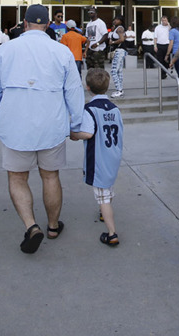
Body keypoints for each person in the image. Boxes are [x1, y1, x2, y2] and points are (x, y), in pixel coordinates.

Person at [0, 4, 85, 255]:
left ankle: (31, 226)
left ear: (25, 23)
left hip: (16, 124)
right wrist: (76, 123)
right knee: (50, 176)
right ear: (48, 25)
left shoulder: (6, 49)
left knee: (18, 178)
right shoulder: (61, 51)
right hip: (51, 124)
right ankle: (52, 226)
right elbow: (74, 91)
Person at [72, 68, 125, 247]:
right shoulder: (115, 109)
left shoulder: (90, 109)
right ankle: (104, 210)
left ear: (88, 87)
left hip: (99, 157)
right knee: (107, 186)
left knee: (102, 194)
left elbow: (87, 133)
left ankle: (112, 233)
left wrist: (74, 134)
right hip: (113, 155)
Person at [107, 16, 127, 98]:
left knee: (114, 71)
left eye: (117, 19)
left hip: (119, 51)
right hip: (120, 51)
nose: (115, 20)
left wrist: (113, 42)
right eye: (114, 19)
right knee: (119, 71)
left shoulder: (119, 28)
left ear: (121, 21)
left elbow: (122, 39)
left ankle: (119, 90)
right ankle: (120, 89)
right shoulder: (117, 29)